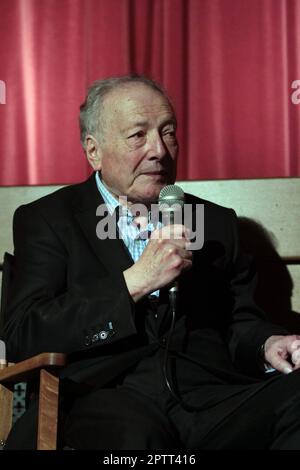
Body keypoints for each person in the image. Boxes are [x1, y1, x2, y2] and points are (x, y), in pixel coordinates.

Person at [3, 75, 300, 450]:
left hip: (209, 397)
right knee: (134, 439)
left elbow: (239, 321)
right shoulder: (51, 219)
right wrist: (134, 282)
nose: (159, 150)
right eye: (137, 136)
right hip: (106, 394)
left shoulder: (214, 222)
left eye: (168, 132)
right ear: (93, 151)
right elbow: (24, 333)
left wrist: (267, 343)